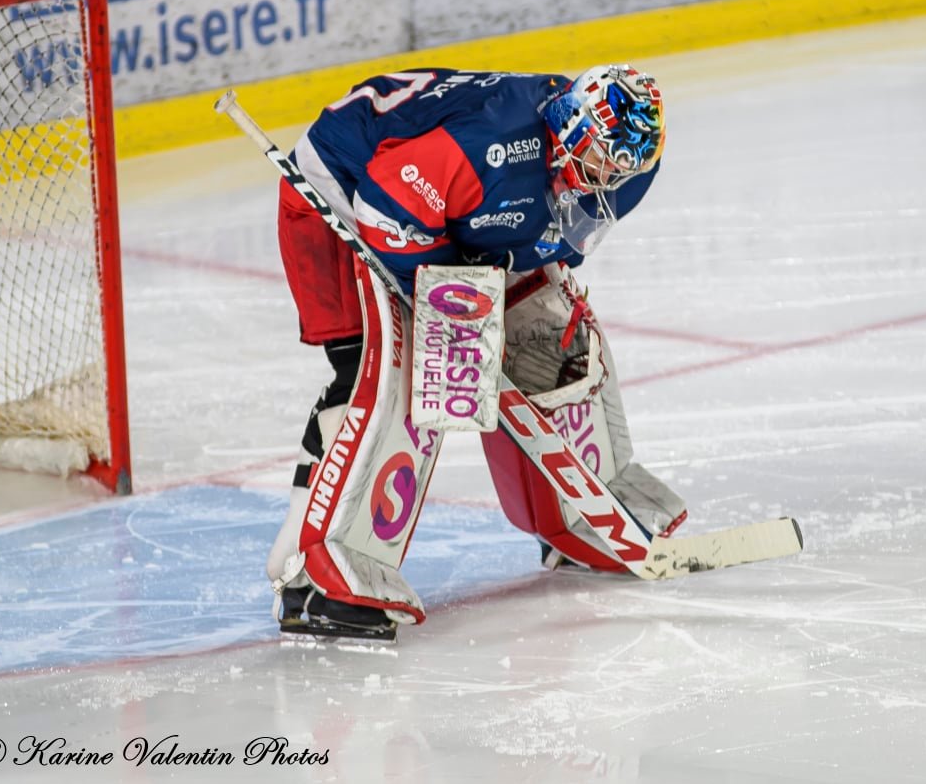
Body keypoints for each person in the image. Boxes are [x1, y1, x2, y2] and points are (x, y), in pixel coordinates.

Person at [267, 63, 688, 638]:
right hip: (343, 194)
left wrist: (496, 283)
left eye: (616, 170)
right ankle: (310, 571)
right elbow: (387, 200)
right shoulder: (491, 146)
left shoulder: (627, 163)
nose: (604, 180)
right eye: (594, 163)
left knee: (546, 327)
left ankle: (573, 519)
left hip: (447, 208)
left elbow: (557, 220)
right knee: (385, 369)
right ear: (564, 130)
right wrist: (450, 299)